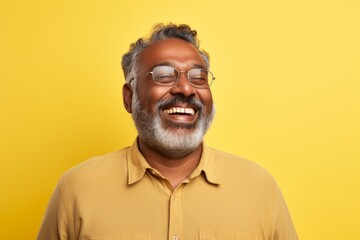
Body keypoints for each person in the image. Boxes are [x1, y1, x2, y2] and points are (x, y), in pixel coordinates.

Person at [37, 23, 298, 240]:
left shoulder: (260, 189)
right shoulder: (77, 189)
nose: (185, 89)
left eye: (198, 77)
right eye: (163, 75)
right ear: (129, 97)